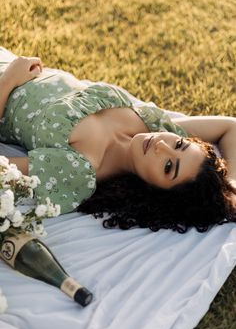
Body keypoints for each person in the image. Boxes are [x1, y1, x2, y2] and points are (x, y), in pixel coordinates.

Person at [0, 55, 236, 233]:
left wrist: (10, 78)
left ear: (155, 191)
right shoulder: (152, 125)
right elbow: (230, 127)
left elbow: (2, 169)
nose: (162, 146)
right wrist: (230, 184)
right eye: (180, 145)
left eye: (167, 167)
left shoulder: (78, 170)